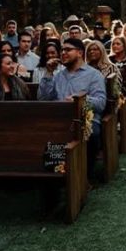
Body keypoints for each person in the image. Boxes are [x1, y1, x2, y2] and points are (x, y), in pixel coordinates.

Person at [38, 38, 106, 180]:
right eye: (62, 50)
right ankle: (55, 177)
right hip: (61, 119)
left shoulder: (94, 75)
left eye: (68, 50)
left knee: (92, 133)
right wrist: (48, 73)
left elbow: (100, 103)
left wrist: (79, 101)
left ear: (80, 52)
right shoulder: (58, 76)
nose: (63, 53)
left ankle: (85, 176)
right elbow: (43, 99)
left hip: (85, 120)